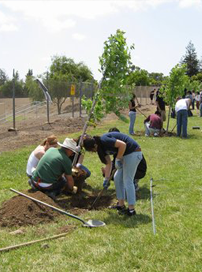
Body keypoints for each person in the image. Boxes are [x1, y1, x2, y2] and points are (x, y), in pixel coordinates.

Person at [83, 132, 142, 216]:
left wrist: (118, 159)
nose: (93, 152)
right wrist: (106, 179)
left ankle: (131, 209)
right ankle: (121, 205)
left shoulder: (104, 140)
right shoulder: (101, 148)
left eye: (92, 150)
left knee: (127, 180)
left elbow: (123, 145)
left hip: (133, 153)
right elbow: (108, 163)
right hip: (125, 155)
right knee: (117, 178)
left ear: (95, 145)